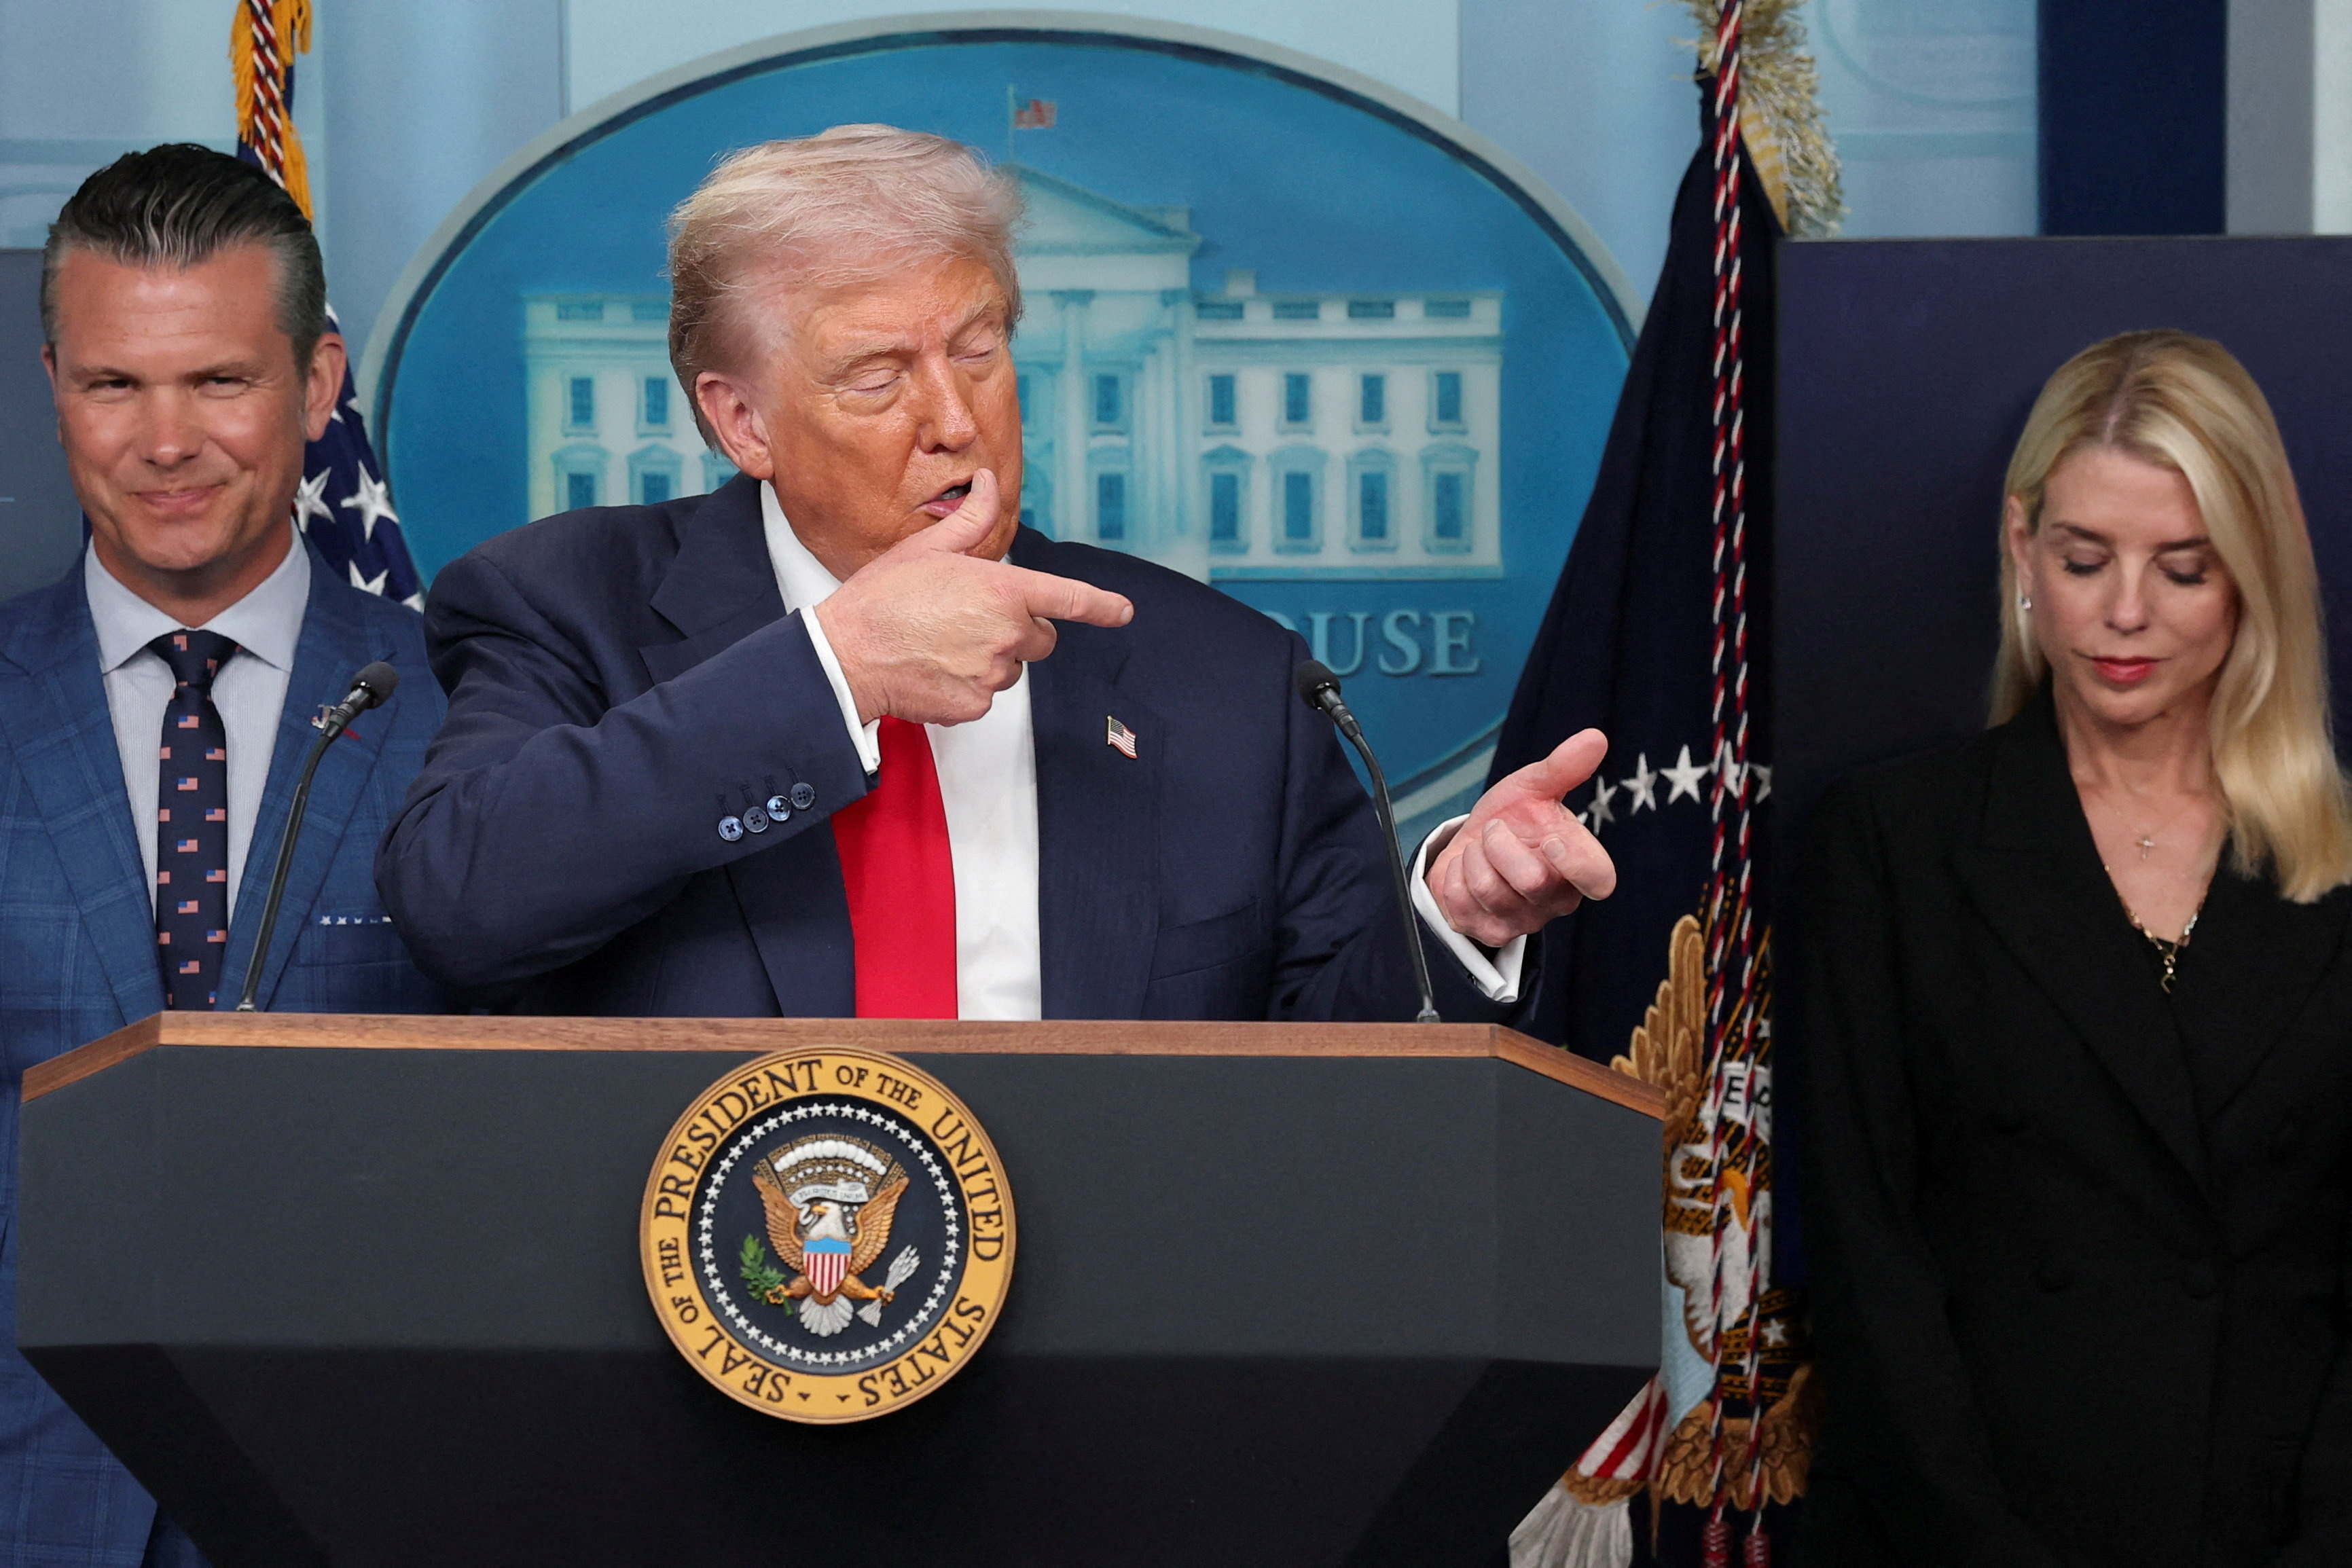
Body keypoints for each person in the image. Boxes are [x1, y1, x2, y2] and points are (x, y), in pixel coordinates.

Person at [378, 125, 1615, 1021]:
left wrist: (1456, 916)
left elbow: (1331, 1075)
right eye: (878, 378)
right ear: (741, 421)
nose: (955, 420)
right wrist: (836, 670)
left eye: (978, 352)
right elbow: (460, 904)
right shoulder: (566, 605)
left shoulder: (1228, 676)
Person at [1797, 330, 2352, 1566]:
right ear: (2022, 547)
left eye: (2184, 568)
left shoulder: (2342, 867)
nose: (2125, 612)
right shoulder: (1892, 843)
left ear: (2255, 573)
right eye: (2085, 558)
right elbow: (1869, 1266)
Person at [1, 145, 448, 1566]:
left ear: (317, 386)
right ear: (54, 385)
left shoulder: (479, 715)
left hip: (372, 1500)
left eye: (218, 380)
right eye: (113, 384)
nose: (165, 441)